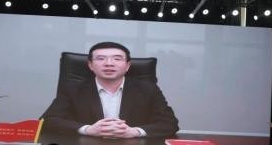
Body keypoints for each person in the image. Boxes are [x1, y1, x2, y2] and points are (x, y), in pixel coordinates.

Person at [42, 41, 179, 138]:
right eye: (101, 58)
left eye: (117, 59)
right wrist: (88, 130)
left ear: (127, 65)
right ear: (90, 65)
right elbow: (47, 121)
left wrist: (134, 132)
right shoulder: (73, 89)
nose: (109, 63)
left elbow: (170, 123)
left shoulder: (148, 89)